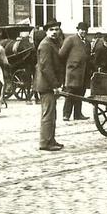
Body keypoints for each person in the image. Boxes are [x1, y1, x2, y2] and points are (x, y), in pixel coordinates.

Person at [35, 20, 64, 151]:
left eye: (56, 29)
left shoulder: (54, 43)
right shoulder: (46, 45)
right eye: (51, 30)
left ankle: (50, 139)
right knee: (48, 114)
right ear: (46, 31)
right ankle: (45, 143)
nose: (54, 32)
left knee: (52, 114)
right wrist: (55, 85)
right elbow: (46, 67)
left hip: (49, 84)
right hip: (46, 85)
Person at [59, 22, 90, 121]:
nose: (83, 32)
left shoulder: (87, 43)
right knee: (70, 93)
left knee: (80, 93)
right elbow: (61, 54)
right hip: (73, 71)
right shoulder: (70, 40)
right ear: (78, 30)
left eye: (85, 30)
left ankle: (78, 114)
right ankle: (66, 114)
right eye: (82, 30)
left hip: (83, 72)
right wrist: (70, 65)